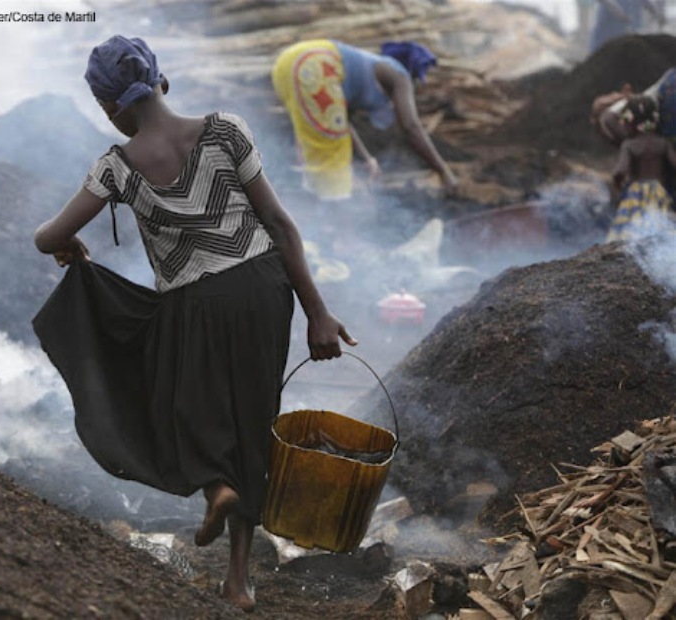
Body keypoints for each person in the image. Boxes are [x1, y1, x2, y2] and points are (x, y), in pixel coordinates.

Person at [32, 35, 356, 613]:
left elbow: (47, 237)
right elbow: (279, 225)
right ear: (163, 81)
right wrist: (318, 313)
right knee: (254, 418)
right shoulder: (226, 130)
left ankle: (215, 485)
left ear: (108, 107)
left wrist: (72, 248)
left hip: (192, 303)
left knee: (177, 401)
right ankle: (239, 580)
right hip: (262, 290)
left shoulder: (116, 166)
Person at [271, 39, 458, 201]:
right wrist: (443, 171)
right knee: (333, 161)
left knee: (318, 150)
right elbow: (411, 127)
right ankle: (342, 235)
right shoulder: (399, 75)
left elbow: (341, 124)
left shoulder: (368, 69)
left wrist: (366, 159)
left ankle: (312, 227)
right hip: (315, 64)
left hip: (287, 63)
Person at [606, 94, 676, 242]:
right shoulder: (663, 143)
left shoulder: (630, 145)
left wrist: (617, 184)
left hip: (636, 193)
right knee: (661, 227)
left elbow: (621, 170)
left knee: (628, 232)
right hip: (658, 191)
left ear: (629, 121)